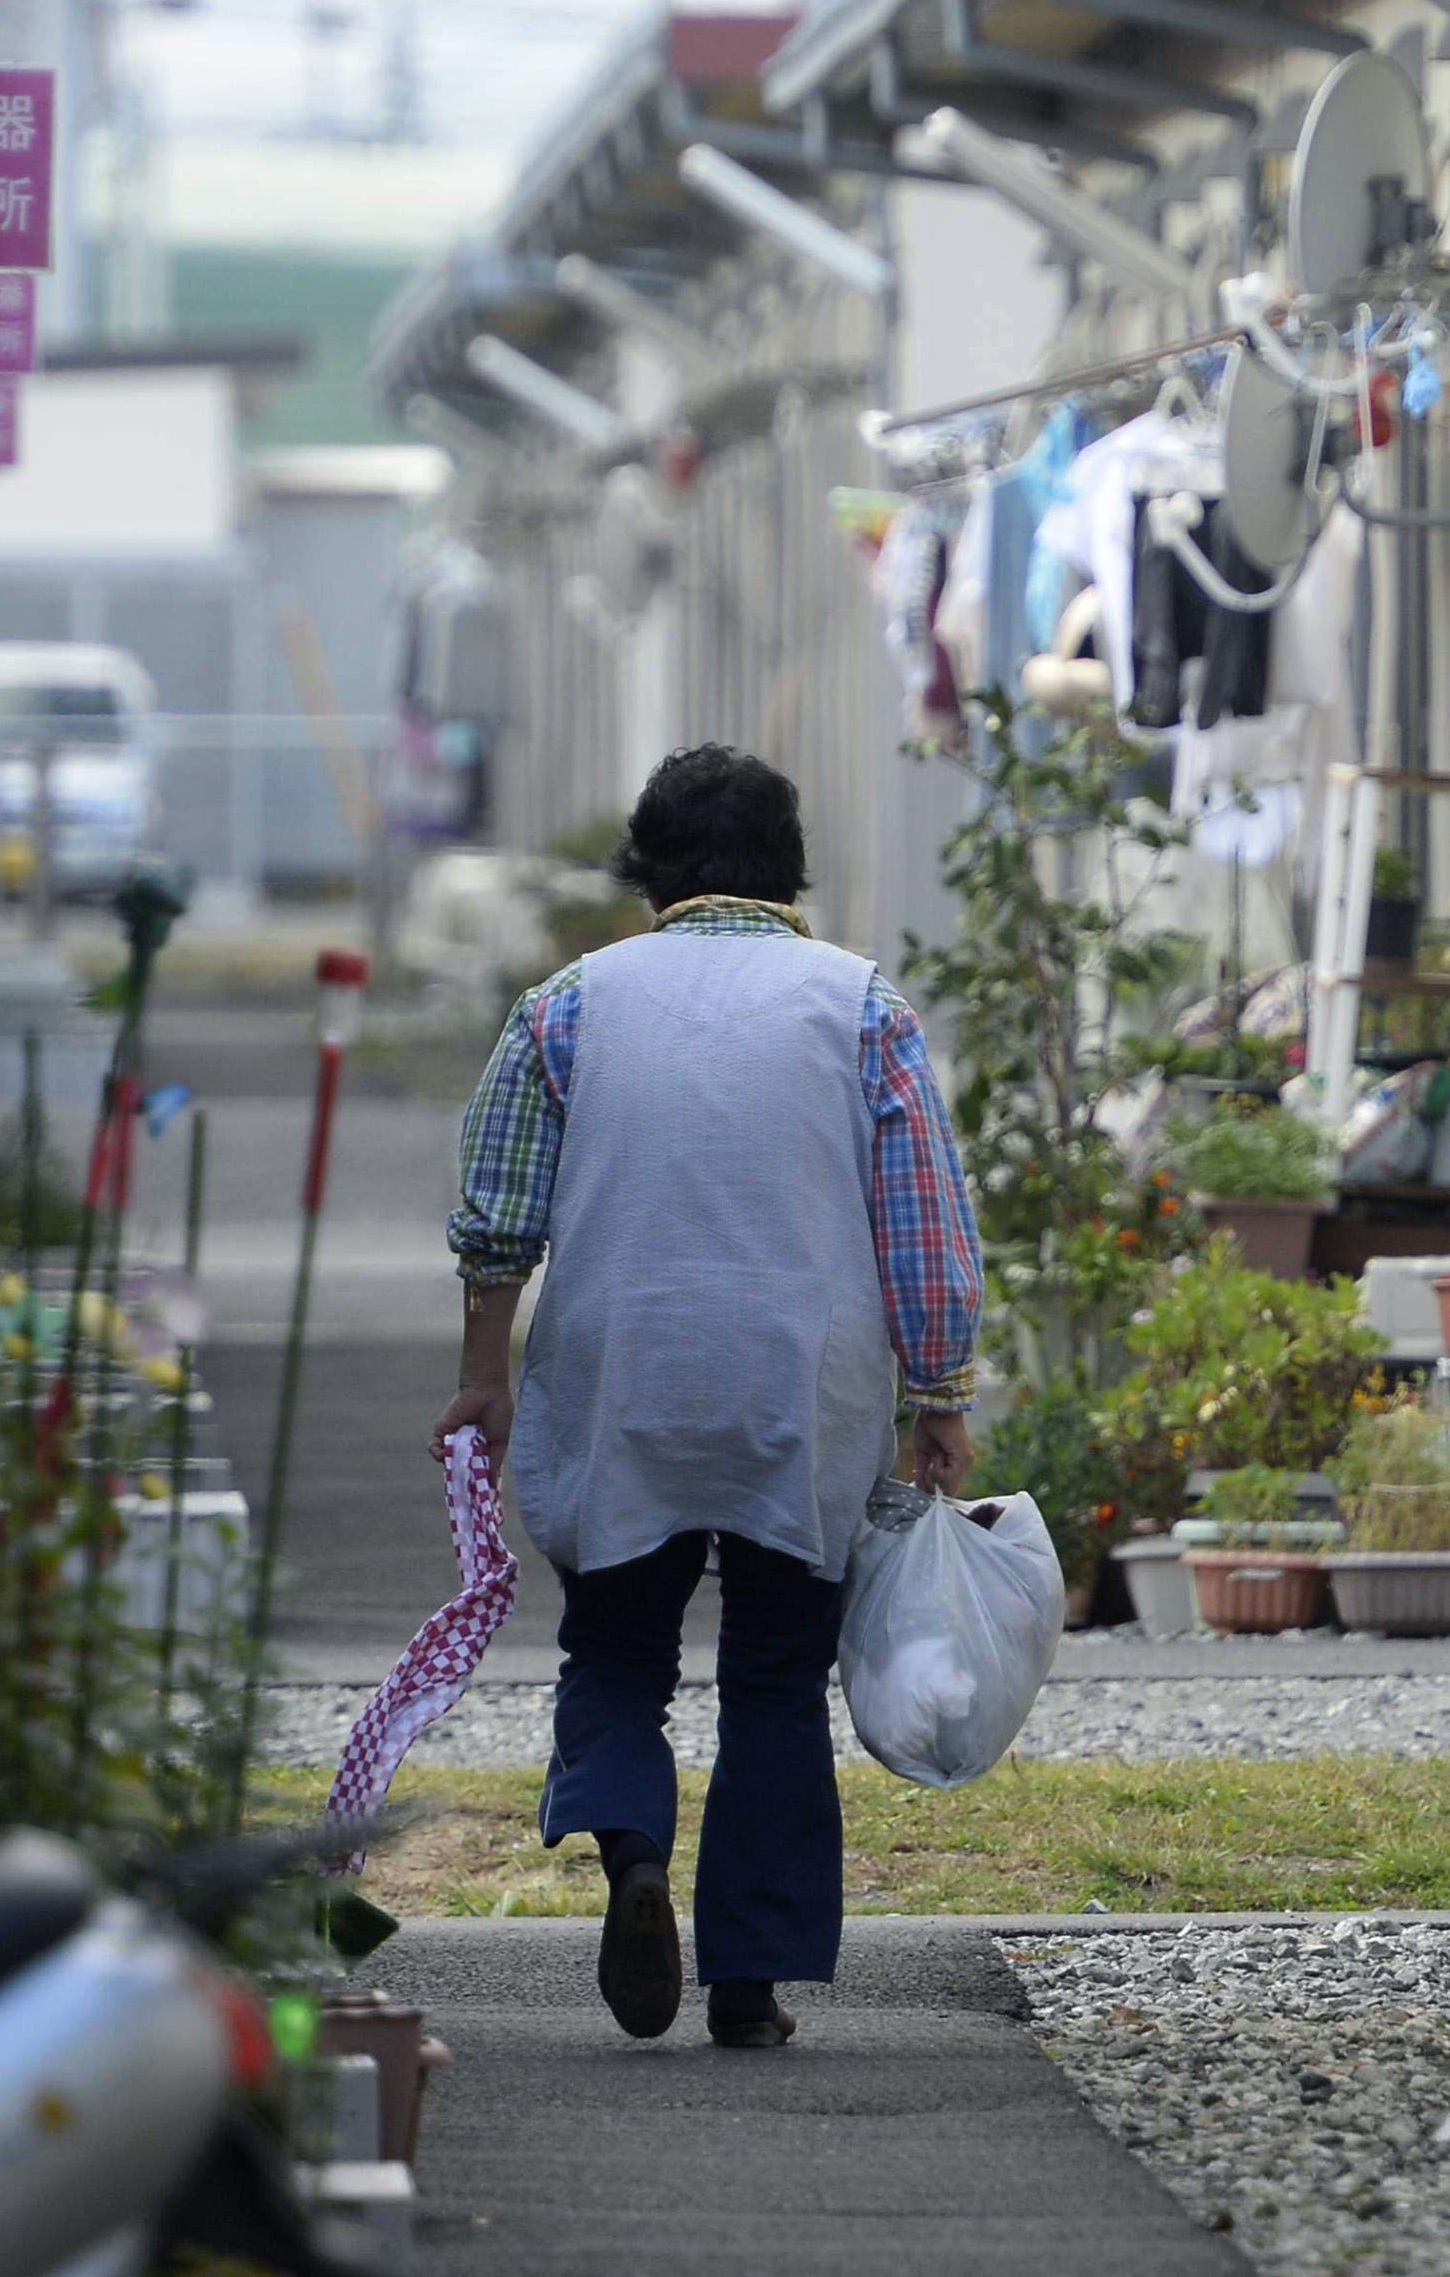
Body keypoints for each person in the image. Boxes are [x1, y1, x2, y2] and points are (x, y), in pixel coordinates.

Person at [435, 745, 979, 2048]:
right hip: (803, 1384)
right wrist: (936, 1388)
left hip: (621, 1376)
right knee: (776, 1676)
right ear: (790, 869)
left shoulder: (568, 1004)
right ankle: (750, 1976)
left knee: (616, 1649)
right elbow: (921, 1225)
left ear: (647, 869)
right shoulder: (859, 1006)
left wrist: (481, 1377)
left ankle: (632, 1854)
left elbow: (496, 1219)